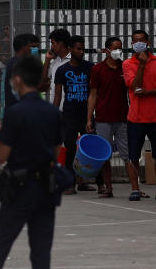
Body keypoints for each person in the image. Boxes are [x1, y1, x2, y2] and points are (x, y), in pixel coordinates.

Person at [0, 55, 62, 269]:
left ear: (17, 79)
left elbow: (1, 156)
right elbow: (56, 151)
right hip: (46, 187)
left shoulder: (15, 112)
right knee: (41, 252)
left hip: (19, 188)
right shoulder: (53, 112)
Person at [122, 29, 156, 202]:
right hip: (136, 118)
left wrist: (148, 92)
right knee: (133, 156)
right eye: (135, 40)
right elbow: (134, 86)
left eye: (141, 40)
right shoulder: (128, 64)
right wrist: (141, 65)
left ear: (148, 43)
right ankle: (135, 189)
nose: (138, 43)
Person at [85, 36, 132, 199]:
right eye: (115, 47)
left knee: (128, 154)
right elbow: (93, 95)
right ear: (107, 50)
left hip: (123, 118)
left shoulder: (126, 67)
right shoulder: (97, 69)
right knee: (105, 155)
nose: (118, 51)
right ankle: (108, 187)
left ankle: (135, 187)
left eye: (120, 47)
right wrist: (89, 118)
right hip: (103, 118)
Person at [53, 35, 94, 193]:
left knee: (87, 148)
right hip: (69, 115)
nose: (81, 52)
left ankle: (83, 181)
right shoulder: (62, 70)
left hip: (86, 115)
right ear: (70, 49)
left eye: (83, 49)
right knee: (70, 149)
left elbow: (94, 92)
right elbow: (57, 95)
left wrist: (91, 116)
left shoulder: (90, 67)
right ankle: (70, 183)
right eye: (78, 49)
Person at [5, 33, 39, 110]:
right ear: (24, 47)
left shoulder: (13, 62)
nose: (35, 50)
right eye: (32, 46)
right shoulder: (20, 64)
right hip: (19, 109)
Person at [42, 28, 72, 104]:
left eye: (53, 43)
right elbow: (44, 80)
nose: (51, 47)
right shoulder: (55, 62)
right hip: (56, 110)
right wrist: (47, 60)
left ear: (61, 43)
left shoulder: (74, 60)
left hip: (70, 110)